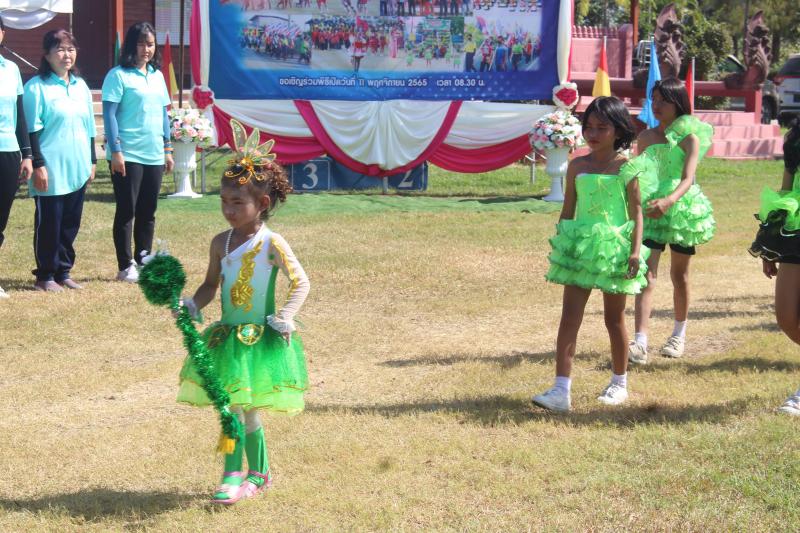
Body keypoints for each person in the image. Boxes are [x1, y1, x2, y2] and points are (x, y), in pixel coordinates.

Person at [176, 123, 310, 503]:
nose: (228, 210)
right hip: (227, 338)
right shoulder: (220, 243)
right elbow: (210, 285)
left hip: (257, 340)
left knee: (247, 409)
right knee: (229, 407)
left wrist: (285, 315)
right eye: (223, 201)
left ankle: (258, 474)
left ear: (262, 204)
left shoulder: (272, 243)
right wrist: (191, 304)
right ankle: (233, 473)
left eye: (238, 203)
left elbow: (301, 282)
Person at [532, 97, 653, 412]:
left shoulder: (627, 167)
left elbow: (637, 212)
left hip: (614, 249)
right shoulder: (577, 165)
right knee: (569, 317)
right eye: (589, 127)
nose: (594, 134)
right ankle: (561, 389)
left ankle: (619, 382)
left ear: (619, 130)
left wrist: (635, 251)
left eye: (602, 127)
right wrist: (562, 243)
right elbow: (568, 210)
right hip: (580, 248)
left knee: (614, 319)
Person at [628, 77, 715, 364]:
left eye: (664, 101)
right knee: (646, 274)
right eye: (654, 99)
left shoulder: (690, 138)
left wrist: (670, 200)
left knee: (680, 276)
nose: (657, 105)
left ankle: (678, 335)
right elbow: (640, 173)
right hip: (651, 209)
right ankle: (640, 341)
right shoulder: (645, 137)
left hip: (681, 211)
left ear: (678, 103)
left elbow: (688, 178)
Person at [102, 22, 174, 284]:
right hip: (128, 154)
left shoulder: (157, 75)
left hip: (154, 153)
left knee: (148, 211)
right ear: (132, 45)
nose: (146, 49)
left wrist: (167, 149)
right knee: (127, 210)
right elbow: (109, 114)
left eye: (150, 44)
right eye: (141, 43)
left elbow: (163, 114)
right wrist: (116, 151)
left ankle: (143, 259)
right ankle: (125, 266)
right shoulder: (118, 75)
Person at [24, 30, 96, 292]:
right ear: (47, 55)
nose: (67, 55)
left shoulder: (81, 86)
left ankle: (63, 271)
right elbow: (31, 130)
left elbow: (90, 126)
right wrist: (38, 164)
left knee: (70, 223)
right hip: (50, 168)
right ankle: (45, 275)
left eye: (71, 49)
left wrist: (92, 160)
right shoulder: (36, 87)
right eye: (61, 49)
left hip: (77, 165)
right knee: (50, 223)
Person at [748, 120, 800, 415]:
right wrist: (769, 246)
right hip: (796, 227)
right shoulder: (796, 139)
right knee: (787, 317)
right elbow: (785, 191)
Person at [0, 15, 33, 299]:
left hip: (8, 151)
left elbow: (20, 116)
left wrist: (27, 155)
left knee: (1, 218)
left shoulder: (11, 69)